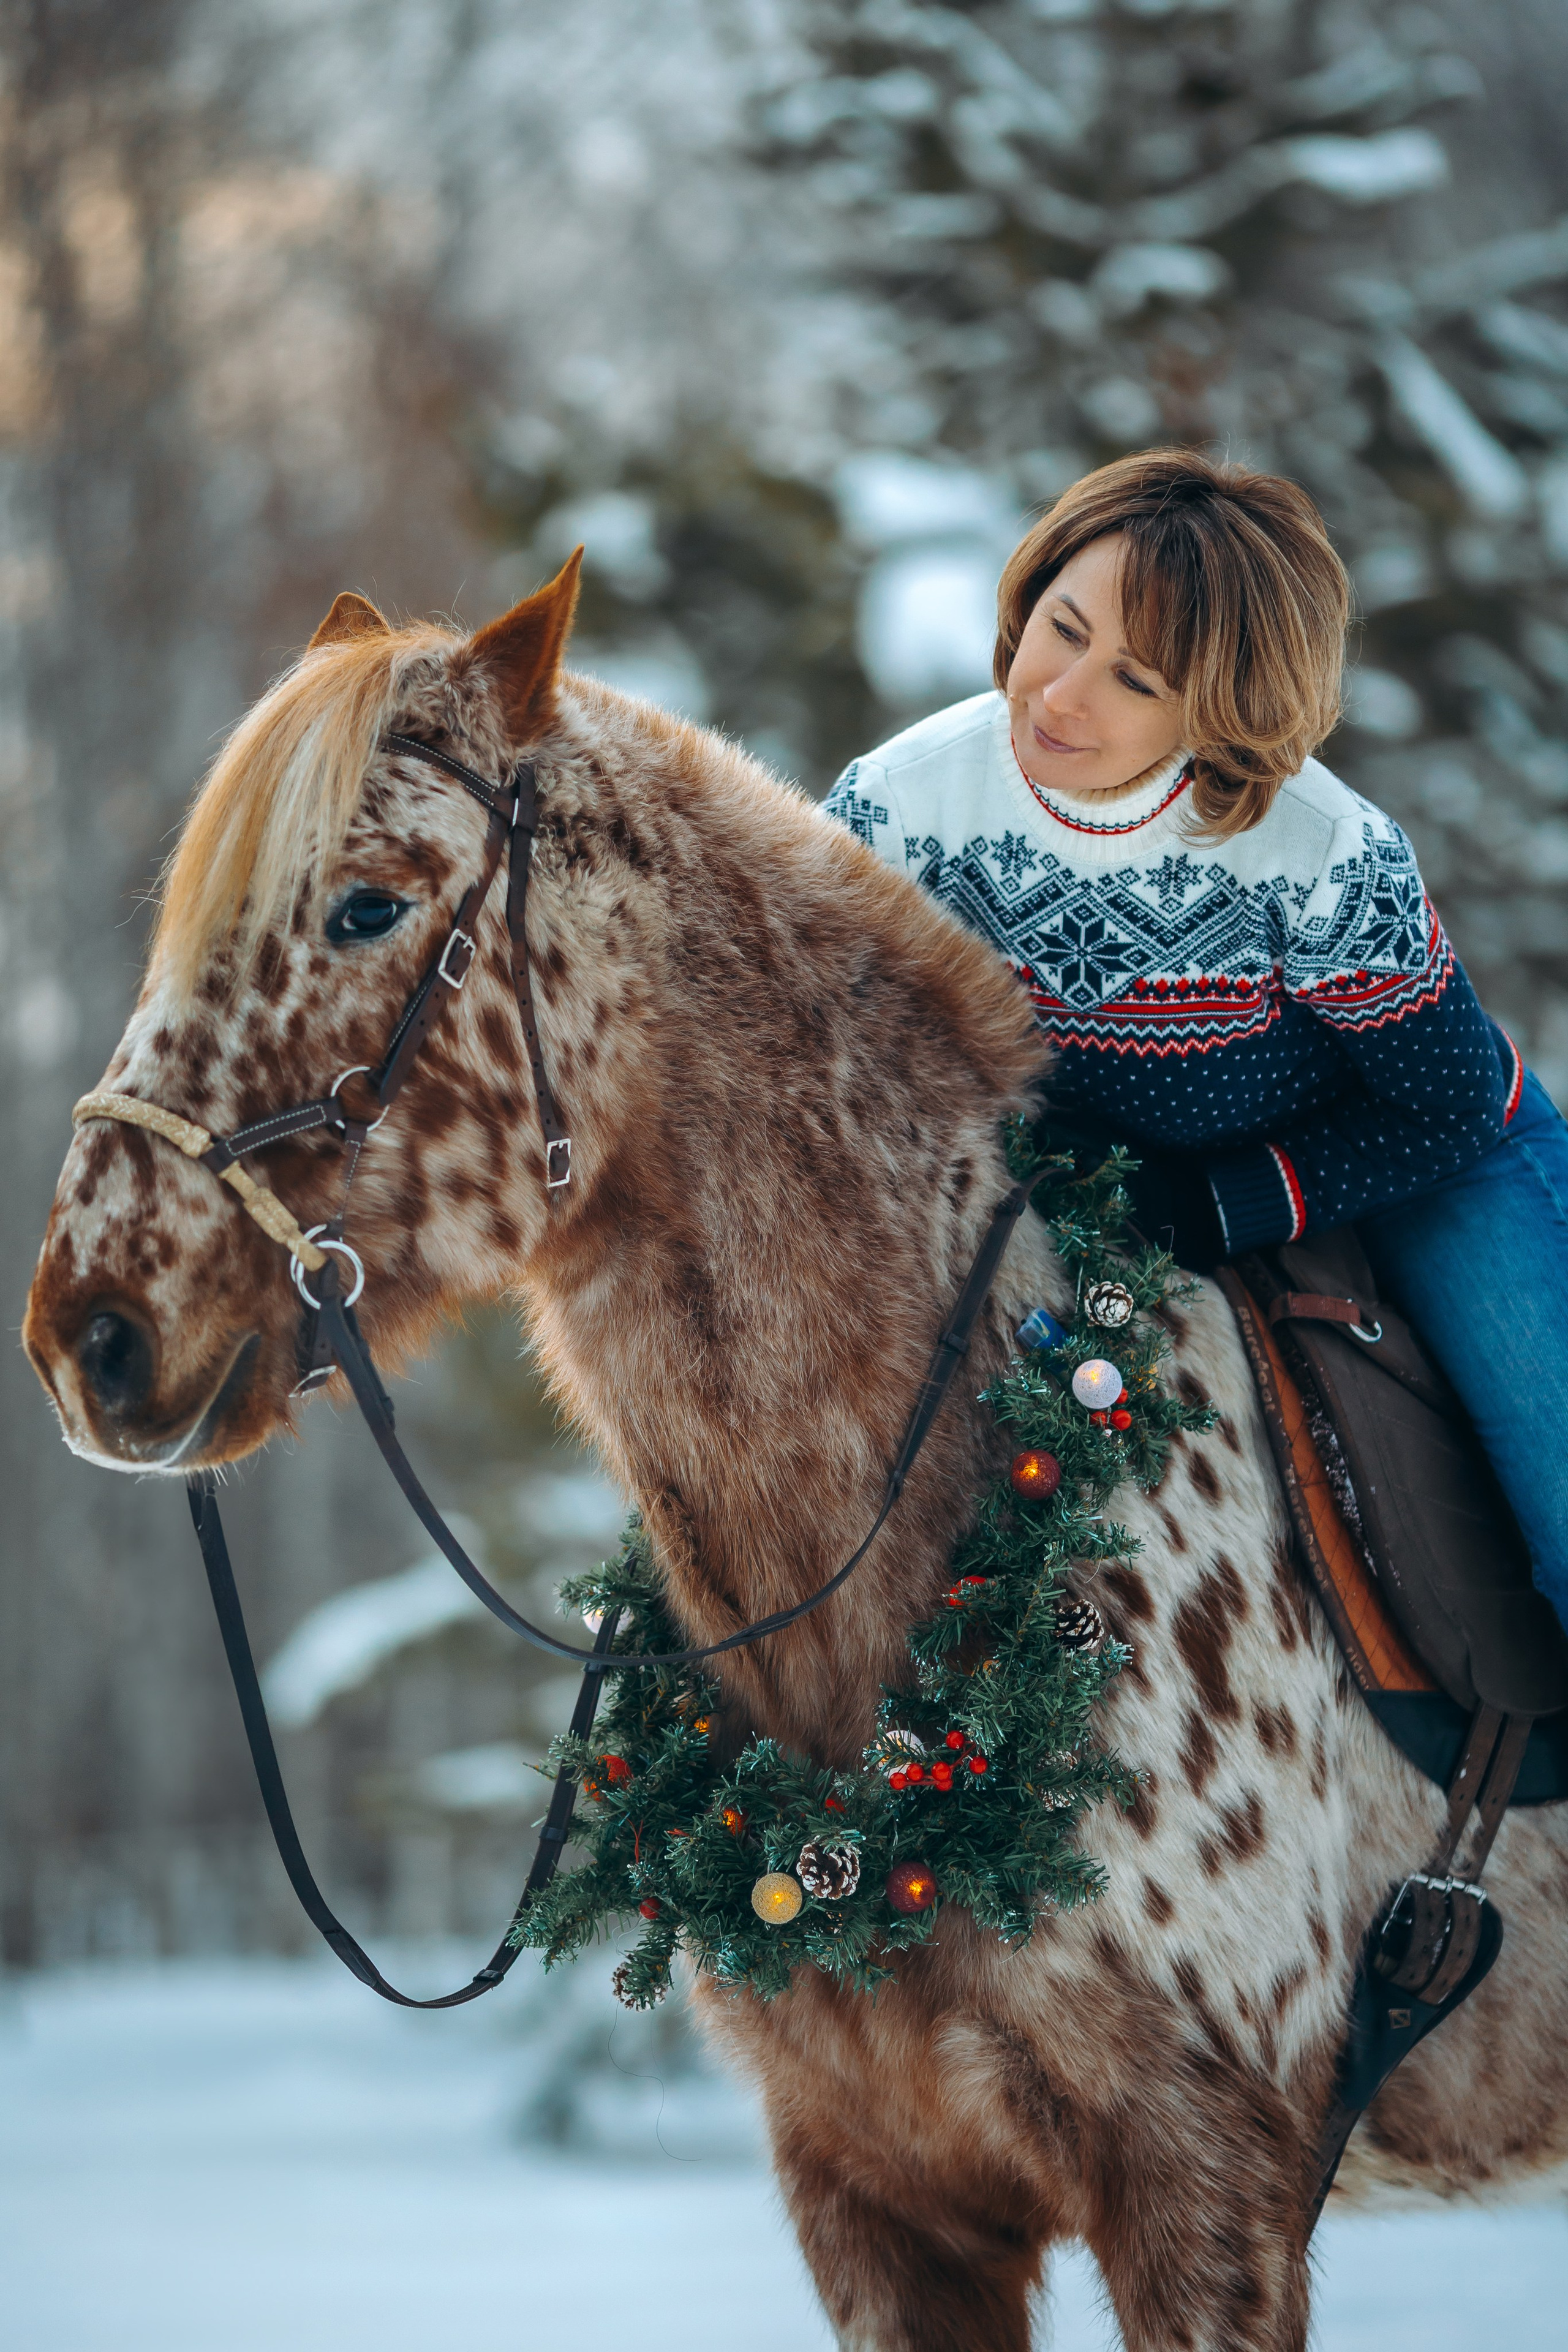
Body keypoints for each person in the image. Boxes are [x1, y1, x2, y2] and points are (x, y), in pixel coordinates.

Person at [826, 448, 1568, 1635]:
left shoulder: (1320, 850)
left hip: (1417, 1158)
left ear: (1215, 710)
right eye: (1062, 629)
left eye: (1134, 679)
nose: (1060, 696)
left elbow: (1447, 1102)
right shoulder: (898, 806)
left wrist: (1228, 1205)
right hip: (1097, 1186)